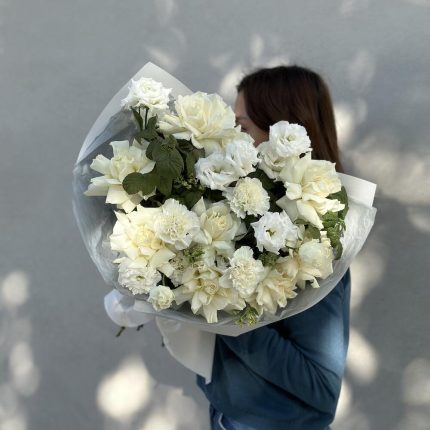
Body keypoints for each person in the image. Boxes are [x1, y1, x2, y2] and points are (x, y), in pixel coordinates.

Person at [196, 65, 351, 430]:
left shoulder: (314, 244)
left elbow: (322, 386)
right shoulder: (246, 219)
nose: (231, 141)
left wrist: (218, 306)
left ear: (285, 134)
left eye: (243, 128)